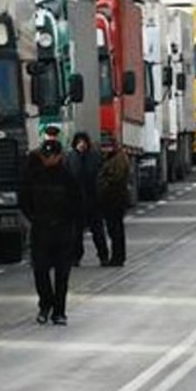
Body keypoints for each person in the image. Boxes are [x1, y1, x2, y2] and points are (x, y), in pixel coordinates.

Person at [20, 139, 81, 325]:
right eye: (46, 156)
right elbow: (25, 201)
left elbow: (78, 203)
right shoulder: (34, 176)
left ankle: (59, 311)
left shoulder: (68, 177)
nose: (49, 159)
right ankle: (45, 305)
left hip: (63, 232)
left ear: (60, 156)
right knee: (41, 271)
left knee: (62, 275)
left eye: (52, 156)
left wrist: (69, 222)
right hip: (41, 231)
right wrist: (35, 218)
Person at [66, 132, 106, 267]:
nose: (82, 145)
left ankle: (103, 255)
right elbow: (73, 175)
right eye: (79, 142)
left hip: (93, 200)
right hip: (77, 201)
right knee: (76, 233)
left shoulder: (93, 156)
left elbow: (94, 174)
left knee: (97, 231)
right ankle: (75, 257)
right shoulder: (72, 157)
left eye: (84, 142)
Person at [96, 142, 132, 267]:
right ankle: (117, 256)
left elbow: (117, 178)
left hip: (115, 199)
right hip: (111, 199)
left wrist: (103, 183)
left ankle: (118, 257)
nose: (105, 150)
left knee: (115, 230)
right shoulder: (113, 158)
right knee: (114, 229)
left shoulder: (119, 159)